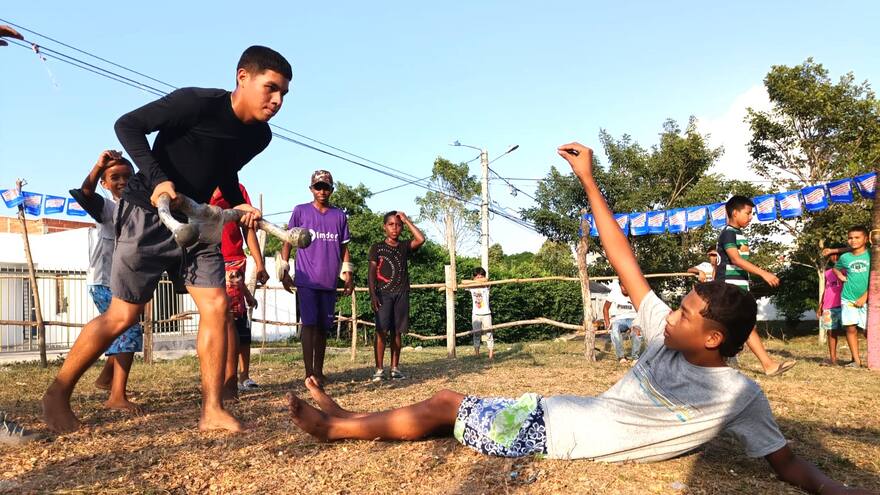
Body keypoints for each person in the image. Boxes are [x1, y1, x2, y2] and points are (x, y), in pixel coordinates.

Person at [286, 142, 873, 495]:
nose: (674, 314)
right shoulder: (665, 335)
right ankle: (353, 416)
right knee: (448, 399)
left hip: (554, 434)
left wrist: (830, 486)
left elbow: (787, 460)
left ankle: (336, 428)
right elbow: (625, 260)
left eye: (688, 313)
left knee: (444, 405)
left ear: (714, 337)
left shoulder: (739, 395)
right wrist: (590, 182)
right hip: (551, 410)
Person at [42, 45, 292, 433]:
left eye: (283, 95)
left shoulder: (260, 137)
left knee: (216, 306)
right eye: (271, 88)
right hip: (148, 210)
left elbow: (225, 169)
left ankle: (212, 410)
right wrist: (158, 177)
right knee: (123, 315)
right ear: (243, 77)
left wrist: (241, 204)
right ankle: (57, 395)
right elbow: (127, 125)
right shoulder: (195, 102)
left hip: (198, 217)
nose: (277, 101)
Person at [71, 150, 143, 413]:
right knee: (128, 329)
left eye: (127, 176)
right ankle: (116, 397)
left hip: (125, 280)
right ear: (104, 183)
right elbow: (85, 193)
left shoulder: (138, 208)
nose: (122, 181)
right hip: (104, 280)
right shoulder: (107, 207)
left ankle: (105, 380)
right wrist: (98, 165)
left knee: (120, 329)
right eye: (115, 177)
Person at [280, 170, 354, 386]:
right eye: (318, 187)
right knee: (309, 325)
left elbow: (344, 248)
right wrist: (284, 270)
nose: (322, 191)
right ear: (311, 189)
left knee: (323, 326)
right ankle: (309, 373)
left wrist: (348, 275)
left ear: (332, 189)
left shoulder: (339, 216)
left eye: (326, 187)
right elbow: (287, 240)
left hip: (329, 280)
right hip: (307, 279)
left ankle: (319, 372)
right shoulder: (300, 212)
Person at [716, 196, 796, 376]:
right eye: (748, 213)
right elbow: (735, 260)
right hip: (729, 287)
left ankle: (730, 361)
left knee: (737, 325)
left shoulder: (738, 234)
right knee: (743, 325)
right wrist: (764, 273)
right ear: (735, 213)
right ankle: (767, 365)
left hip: (738, 286)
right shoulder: (728, 233)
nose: (751, 217)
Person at [209, 184, 269, 393]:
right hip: (206, 258)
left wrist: (260, 264)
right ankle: (218, 377)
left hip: (233, 259)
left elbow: (248, 228)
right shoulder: (197, 184)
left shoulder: (237, 189)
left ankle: (240, 376)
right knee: (215, 320)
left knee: (237, 320)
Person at [367, 211, 425, 381]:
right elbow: (371, 273)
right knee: (381, 331)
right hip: (382, 294)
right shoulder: (376, 248)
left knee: (397, 332)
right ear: (384, 227)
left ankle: (394, 368)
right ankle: (379, 369)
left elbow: (420, 239)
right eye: (391, 224)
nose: (395, 228)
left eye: (398, 225)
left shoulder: (403, 246)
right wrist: (372, 295)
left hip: (401, 293)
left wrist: (407, 220)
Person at [831, 227, 871, 368]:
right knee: (850, 328)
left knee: (869, 330)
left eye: (857, 237)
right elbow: (836, 268)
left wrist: (865, 296)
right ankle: (856, 361)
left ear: (866, 239)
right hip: (848, 298)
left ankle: (874, 359)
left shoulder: (872, 255)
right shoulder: (845, 257)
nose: (853, 240)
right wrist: (840, 275)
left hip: (869, 299)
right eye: (850, 237)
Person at [226, 267, 259, 387]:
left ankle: (244, 377)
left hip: (240, 309)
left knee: (244, 341)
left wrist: (248, 295)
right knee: (227, 344)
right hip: (223, 309)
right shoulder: (216, 253)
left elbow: (240, 282)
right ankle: (229, 379)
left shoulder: (241, 259)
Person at [602, 283, 641, 364]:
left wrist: (639, 321)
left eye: (627, 285)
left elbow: (641, 309)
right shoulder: (614, 293)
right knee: (615, 329)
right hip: (619, 319)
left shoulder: (635, 292)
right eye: (623, 286)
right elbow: (605, 308)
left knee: (636, 331)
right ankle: (621, 357)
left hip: (633, 318)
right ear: (620, 286)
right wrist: (607, 322)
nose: (625, 288)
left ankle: (635, 357)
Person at [817, 252, 843, 364]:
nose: (835, 257)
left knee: (850, 330)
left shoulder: (847, 271)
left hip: (844, 304)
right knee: (831, 332)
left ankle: (854, 359)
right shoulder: (827, 273)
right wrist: (821, 305)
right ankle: (833, 358)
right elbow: (826, 290)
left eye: (837, 255)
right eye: (832, 255)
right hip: (828, 306)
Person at [462, 267, 494, 359]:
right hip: (475, 314)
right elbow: (463, 282)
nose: (479, 278)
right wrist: (475, 282)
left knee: (489, 334)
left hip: (486, 314)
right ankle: (477, 354)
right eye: (477, 276)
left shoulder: (486, 286)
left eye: (481, 276)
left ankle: (491, 355)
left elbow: (486, 280)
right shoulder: (471, 287)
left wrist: (479, 280)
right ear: (474, 277)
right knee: (476, 334)